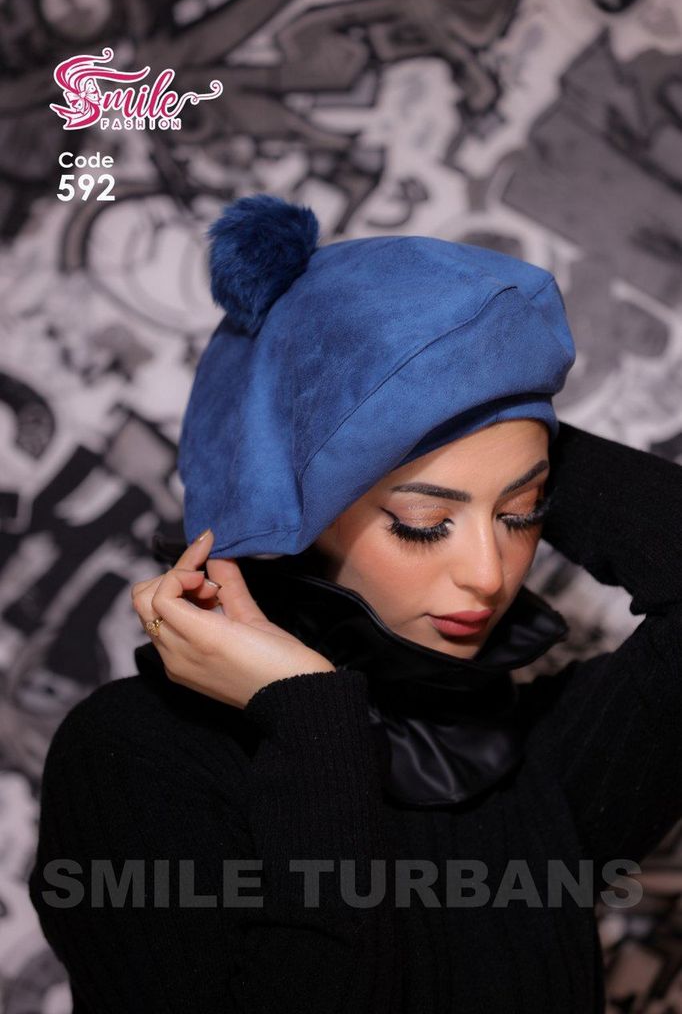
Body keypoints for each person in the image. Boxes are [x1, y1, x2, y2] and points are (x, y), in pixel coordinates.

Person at [28, 195, 682, 1013]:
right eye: (424, 523)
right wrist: (310, 715)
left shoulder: (512, 758)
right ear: (290, 521)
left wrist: (483, 387)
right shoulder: (136, 759)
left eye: (522, 514)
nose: (489, 574)